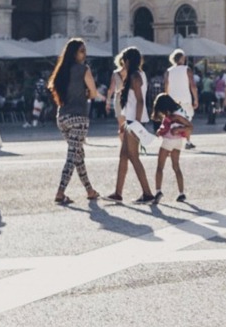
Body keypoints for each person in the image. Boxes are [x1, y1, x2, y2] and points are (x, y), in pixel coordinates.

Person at [50, 39, 101, 204]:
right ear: (74, 53)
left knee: (78, 154)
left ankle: (90, 190)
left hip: (62, 117)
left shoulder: (61, 71)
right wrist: (85, 94)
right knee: (72, 156)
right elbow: (93, 93)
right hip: (78, 117)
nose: (85, 54)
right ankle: (60, 192)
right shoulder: (83, 70)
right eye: (82, 51)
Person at [106, 46, 155, 204]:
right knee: (123, 156)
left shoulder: (134, 76)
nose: (123, 64)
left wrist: (136, 124)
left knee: (133, 156)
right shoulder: (140, 74)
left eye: (124, 61)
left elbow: (140, 101)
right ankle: (118, 192)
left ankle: (147, 193)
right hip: (130, 120)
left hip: (134, 120)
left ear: (127, 61)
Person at [152, 93, 192, 202]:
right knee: (176, 167)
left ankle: (158, 191)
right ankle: (181, 193)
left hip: (169, 140)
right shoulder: (179, 111)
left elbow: (190, 126)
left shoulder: (174, 116)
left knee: (160, 167)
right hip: (178, 141)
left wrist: (177, 130)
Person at [163, 50, 197, 147]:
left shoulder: (168, 71)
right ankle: (187, 141)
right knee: (188, 122)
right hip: (185, 99)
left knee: (174, 121)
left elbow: (166, 87)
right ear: (182, 58)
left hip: (172, 100)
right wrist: (196, 99)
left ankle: (176, 141)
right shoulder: (187, 69)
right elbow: (193, 86)